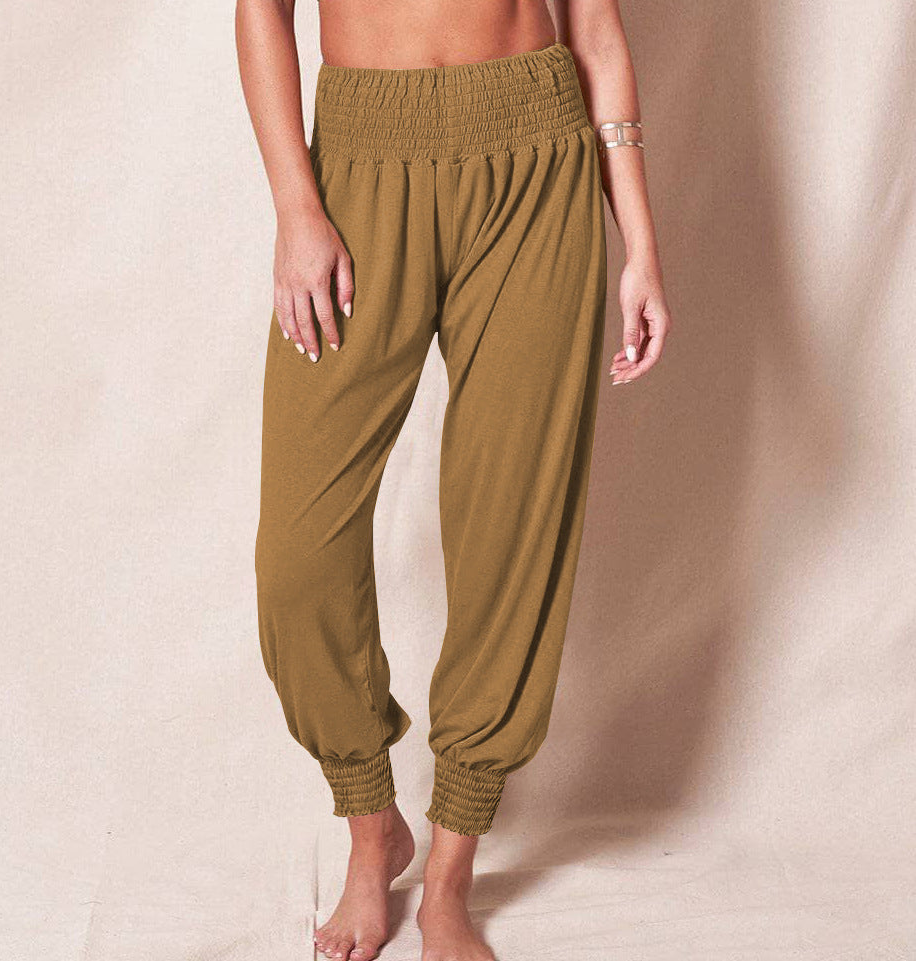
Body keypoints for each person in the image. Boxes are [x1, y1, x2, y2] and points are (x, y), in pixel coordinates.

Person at [235, 1, 672, 958]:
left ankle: (448, 875)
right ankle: (372, 827)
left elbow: (595, 30)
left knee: (511, 528)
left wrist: (639, 241)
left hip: (535, 163)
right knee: (299, 555)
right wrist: (297, 208)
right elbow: (260, 9)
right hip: (359, 163)